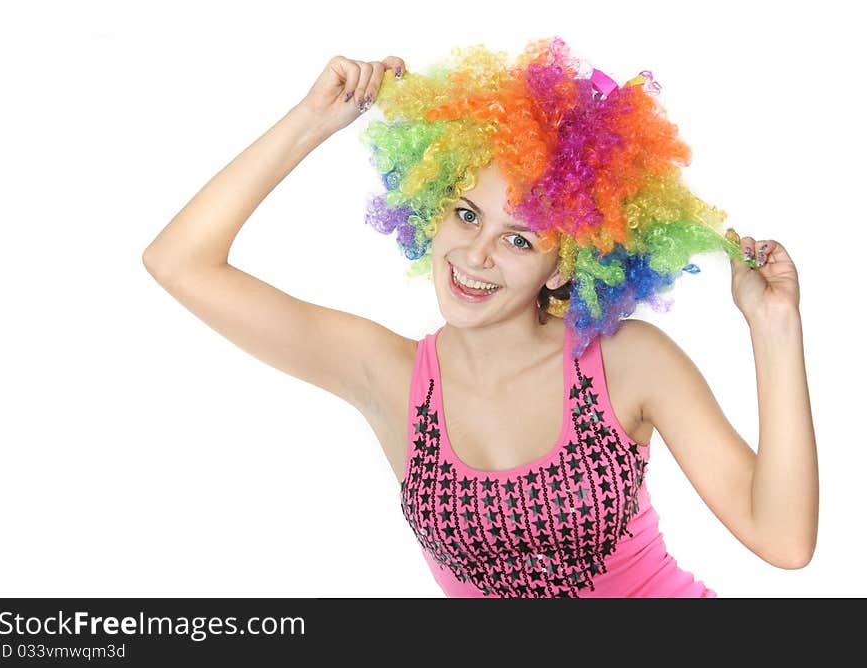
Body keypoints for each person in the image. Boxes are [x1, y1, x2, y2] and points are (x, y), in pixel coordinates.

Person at [142, 37, 818, 598]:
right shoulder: (388, 377)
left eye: (518, 238)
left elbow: (783, 540)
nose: (476, 253)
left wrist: (774, 328)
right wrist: (313, 120)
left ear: (561, 266)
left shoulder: (626, 362)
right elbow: (179, 262)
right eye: (466, 213)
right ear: (434, 205)